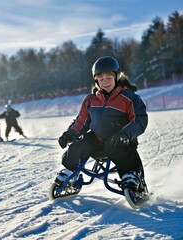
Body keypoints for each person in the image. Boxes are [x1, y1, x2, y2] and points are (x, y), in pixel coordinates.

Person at [56, 56, 148, 193]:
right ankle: (70, 173)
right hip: (97, 140)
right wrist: (69, 134)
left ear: (117, 77)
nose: (105, 82)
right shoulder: (91, 100)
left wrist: (126, 134)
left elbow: (140, 120)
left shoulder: (129, 98)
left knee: (116, 147)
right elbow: (81, 121)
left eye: (109, 77)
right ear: (96, 81)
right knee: (79, 144)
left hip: (120, 139)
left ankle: (131, 176)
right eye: (101, 79)